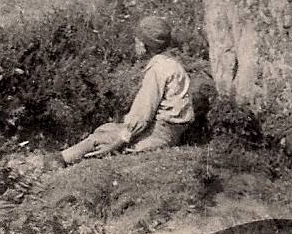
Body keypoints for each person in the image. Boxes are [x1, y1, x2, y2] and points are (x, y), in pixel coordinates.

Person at [55, 16, 194, 166]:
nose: (135, 43)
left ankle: (59, 160)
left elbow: (142, 114)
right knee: (105, 129)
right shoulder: (172, 64)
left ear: (144, 44)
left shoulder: (157, 70)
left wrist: (120, 140)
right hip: (172, 132)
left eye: (137, 40)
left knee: (100, 139)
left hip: (159, 135)